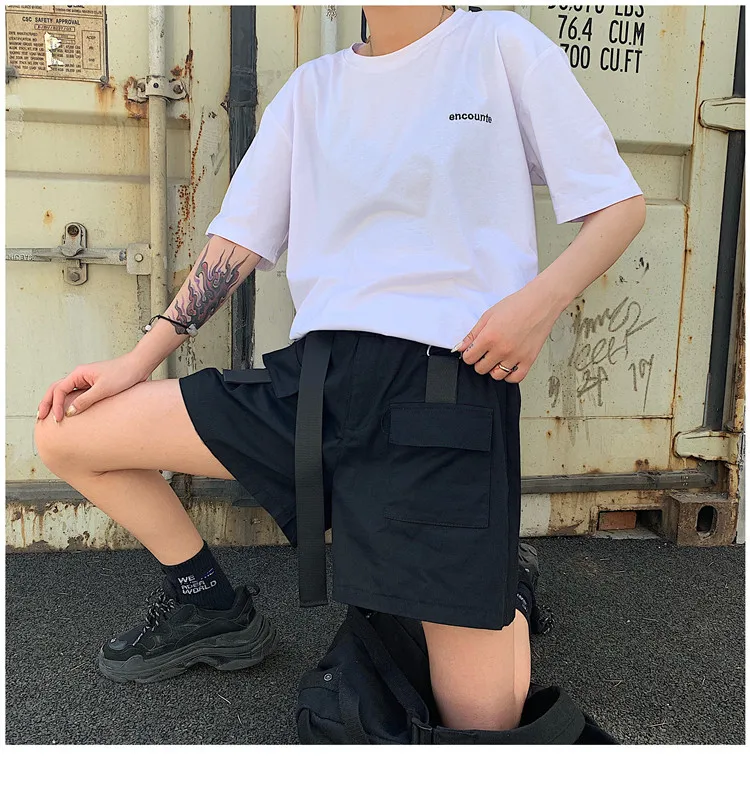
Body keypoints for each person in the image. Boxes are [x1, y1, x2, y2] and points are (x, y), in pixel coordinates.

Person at [35, 6, 645, 732]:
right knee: (68, 431)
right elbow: (236, 243)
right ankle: (207, 604)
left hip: (443, 395)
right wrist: (137, 361)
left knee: (481, 724)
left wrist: (537, 306)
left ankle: (496, 581)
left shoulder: (499, 46)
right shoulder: (312, 89)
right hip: (315, 385)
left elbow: (618, 206)